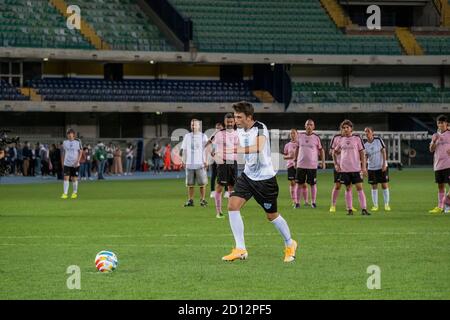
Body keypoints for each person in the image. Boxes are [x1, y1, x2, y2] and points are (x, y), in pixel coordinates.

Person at [222, 101, 297, 263]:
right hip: (248, 176)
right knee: (232, 206)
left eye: (239, 117)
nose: (236, 120)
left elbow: (258, 147)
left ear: (249, 117)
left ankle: (290, 243)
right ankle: (240, 249)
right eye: (235, 117)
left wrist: (234, 150)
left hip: (265, 180)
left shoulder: (260, 127)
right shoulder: (239, 129)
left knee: (272, 216)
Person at [333, 120, 370, 216]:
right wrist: (336, 164)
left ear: (351, 128)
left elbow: (362, 153)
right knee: (348, 188)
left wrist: (364, 167)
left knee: (359, 187)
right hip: (345, 169)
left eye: (347, 127)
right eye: (344, 128)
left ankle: (364, 209)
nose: (345, 129)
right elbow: (334, 152)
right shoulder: (341, 140)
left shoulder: (357, 138)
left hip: (356, 168)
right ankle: (349, 209)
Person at [207, 113, 239, 218]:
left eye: (231, 122)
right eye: (227, 122)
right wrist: (214, 154)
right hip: (223, 162)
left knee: (232, 188)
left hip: (233, 162)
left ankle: (232, 212)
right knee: (219, 187)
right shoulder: (219, 133)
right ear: (224, 122)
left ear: (234, 122)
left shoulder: (237, 133)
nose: (229, 123)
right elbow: (208, 144)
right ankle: (219, 212)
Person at [294, 119, 325, 209]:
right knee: (299, 184)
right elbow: (297, 148)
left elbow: (321, 150)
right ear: (305, 126)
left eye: (311, 125)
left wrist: (323, 162)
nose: (309, 126)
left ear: (314, 127)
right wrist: (295, 161)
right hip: (301, 164)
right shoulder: (300, 136)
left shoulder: (316, 137)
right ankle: (297, 202)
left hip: (312, 165)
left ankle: (313, 202)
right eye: (307, 124)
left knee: (312, 184)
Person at [180, 119, 209, 207]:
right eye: (192, 125)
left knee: (202, 184)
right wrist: (183, 160)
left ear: (199, 126)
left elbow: (207, 149)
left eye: (195, 125)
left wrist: (206, 160)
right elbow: (184, 149)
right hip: (189, 164)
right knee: (190, 184)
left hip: (200, 163)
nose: (193, 126)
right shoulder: (187, 136)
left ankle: (202, 200)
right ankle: (190, 200)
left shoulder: (203, 136)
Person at [364, 127, 391, 212]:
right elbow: (365, 157)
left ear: (372, 133)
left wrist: (384, 164)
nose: (366, 133)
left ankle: (386, 204)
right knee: (374, 186)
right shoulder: (365, 145)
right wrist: (364, 167)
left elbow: (383, 151)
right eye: (365, 132)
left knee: (384, 185)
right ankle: (375, 205)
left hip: (381, 166)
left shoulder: (378, 140)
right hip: (371, 168)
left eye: (368, 131)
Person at [429, 115, 450, 214]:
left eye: (442, 122)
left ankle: (446, 202)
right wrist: (433, 141)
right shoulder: (435, 135)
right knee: (440, 186)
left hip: (448, 164)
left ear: (446, 124)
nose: (440, 124)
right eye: (439, 123)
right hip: (438, 165)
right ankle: (440, 206)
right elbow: (431, 149)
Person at [61, 128, 82, 199]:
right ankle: (65, 193)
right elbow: (63, 152)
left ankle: (74, 192)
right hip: (67, 163)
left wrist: (77, 161)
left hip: (75, 164)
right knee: (65, 178)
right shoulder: (64, 142)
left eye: (71, 135)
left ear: (73, 135)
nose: (69, 136)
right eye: (68, 134)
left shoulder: (78, 142)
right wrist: (62, 162)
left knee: (74, 179)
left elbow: (80, 152)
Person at [283, 129, 299, 208]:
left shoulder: (300, 144)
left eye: (294, 133)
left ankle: (305, 201)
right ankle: (294, 201)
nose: (292, 134)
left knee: (301, 183)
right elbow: (284, 156)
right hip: (290, 165)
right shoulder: (287, 145)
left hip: (299, 165)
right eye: (291, 133)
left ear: (297, 134)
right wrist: (289, 156)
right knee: (292, 183)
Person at [209, 123, 225, 199]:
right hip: (214, 158)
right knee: (214, 175)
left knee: (225, 174)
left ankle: (227, 191)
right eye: (217, 128)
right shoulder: (213, 137)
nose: (218, 129)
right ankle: (212, 191)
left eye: (220, 128)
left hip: (223, 158)